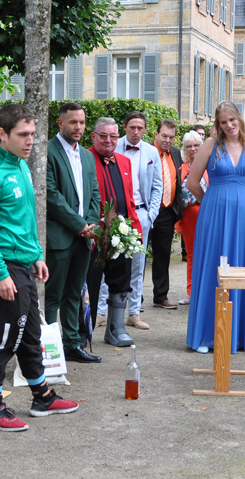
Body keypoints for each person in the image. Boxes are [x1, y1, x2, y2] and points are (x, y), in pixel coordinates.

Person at [0, 104, 78, 432]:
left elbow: (24, 221)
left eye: (33, 134)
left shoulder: (21, 166)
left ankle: (42, 396)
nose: (30, 140)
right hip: (2, 267)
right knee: (4, 339)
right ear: (2, 135)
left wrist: (35, 255)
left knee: (31, 335)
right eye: (23, 134)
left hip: (22, 264)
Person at [185, 101, 245, 353]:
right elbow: (191, 182)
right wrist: (211, 202)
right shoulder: (211, 145)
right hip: (214, 215)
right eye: (223, 122)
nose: (229, 125)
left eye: (232, 119)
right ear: (218, 125)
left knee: (244, 268)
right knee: (213, 268)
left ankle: (244, 336)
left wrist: (242, 202)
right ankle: (205, 336)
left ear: (239, 119)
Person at [45, 102, 101, 363]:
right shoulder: (47, 151)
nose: (78, 127)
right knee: (53, 295)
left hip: (85, 238)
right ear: (60, 123)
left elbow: (95, 194)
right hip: (60, 236)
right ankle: (47, 348)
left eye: (81, 122)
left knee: (75, 293)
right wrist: (79, 225)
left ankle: (71, 344)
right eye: (72, 122)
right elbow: (51, 196)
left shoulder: (88, 156)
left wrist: (90, 225)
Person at [87, 117, 142, 347]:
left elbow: (129, 199)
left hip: (121, 234)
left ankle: (115, 329)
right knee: (89, 284)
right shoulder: (84, 158)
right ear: (93, 136)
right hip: (92, 234)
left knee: (121, 281)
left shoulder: (124, 161)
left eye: (113, 136)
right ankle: (81, 334)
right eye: (103, 136)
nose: (108, 140)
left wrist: (134, 229)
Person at [109, 111, 161, 331]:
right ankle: (103, 312)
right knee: (109, 262)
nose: (136, 132)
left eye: (140, 128)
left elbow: (158, 185)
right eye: (132, 127)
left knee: (138, 266)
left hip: (140, 214)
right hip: (115, 213)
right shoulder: (113, 146)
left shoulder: (151, 151)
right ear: (125, 127)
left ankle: (134, 313)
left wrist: (151, 215)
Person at [149, 119, 184, 310]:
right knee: (137, 256)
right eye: (164, 136)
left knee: (163, 256)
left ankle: (161, 296)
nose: (168, 140)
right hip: (145, 212)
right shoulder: (146, 151)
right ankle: (135, 300)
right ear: (156, 134)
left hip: (167, 212)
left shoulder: (176, 153)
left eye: (171, 137)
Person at [177, 130, 206, 305]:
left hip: (207, 214)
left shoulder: (210, 166)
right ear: (185, 149)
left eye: (196, 145)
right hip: (189, 216)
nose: (193, 149)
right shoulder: (182, 168)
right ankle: (191, 292)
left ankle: (207, 291)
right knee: (192, 254)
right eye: (189, 146)